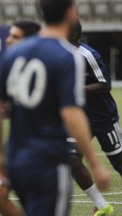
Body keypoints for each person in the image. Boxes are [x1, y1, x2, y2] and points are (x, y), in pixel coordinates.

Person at [0, 0, 111, 215]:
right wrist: (94, 162)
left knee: (6, 200)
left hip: (15, 155)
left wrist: (0, 155)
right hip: (49, 159)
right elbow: (71, 113)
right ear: (71, 12)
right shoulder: (68, 56)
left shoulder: (15, 52)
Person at [0, 20, 41, 216]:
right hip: (17, 144)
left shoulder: (51, 63)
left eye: (15, 37)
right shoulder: (9, 64)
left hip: (44, 146)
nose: (7, 40)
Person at [68, 19, 118, 216]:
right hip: (80, 120)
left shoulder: (87, 54)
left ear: (73, 34)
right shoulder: (62, 55)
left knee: (119, 163)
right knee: (71, 159)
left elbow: (105, 84)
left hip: (103, 117)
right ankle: (102, 204)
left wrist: (78, 89)